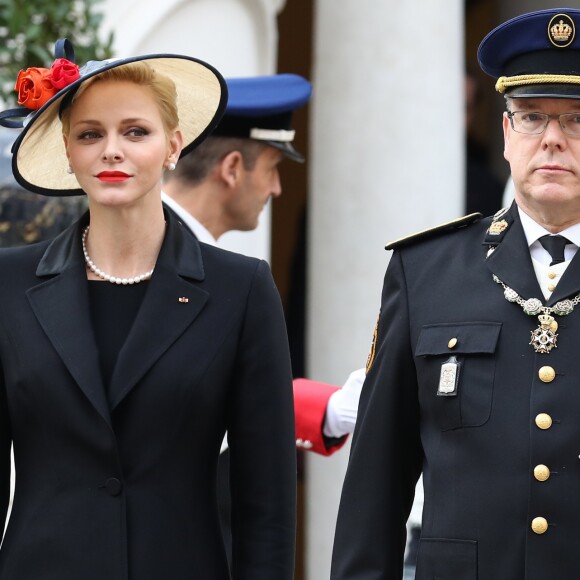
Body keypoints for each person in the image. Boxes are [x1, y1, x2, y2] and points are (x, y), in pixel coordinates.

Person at [0, 40, 296, 580]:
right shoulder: (7, 283)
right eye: (91, 134)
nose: (112, 150)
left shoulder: (242, 290)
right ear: (69, 151)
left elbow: (267, 506)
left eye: (135, 132)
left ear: (173, 147)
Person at [331, 7, 580, 579]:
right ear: (505, 133)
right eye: (532, 118)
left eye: (575, 121)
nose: (552, 140)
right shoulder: (425, 273)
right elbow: (377, 481)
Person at [162, 74, 365, 456]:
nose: (277, 189)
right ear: (232, 168)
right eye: (273, 167)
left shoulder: (200, 261)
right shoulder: (153, 252)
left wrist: (329, 409)